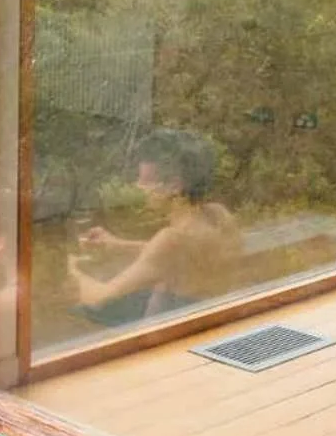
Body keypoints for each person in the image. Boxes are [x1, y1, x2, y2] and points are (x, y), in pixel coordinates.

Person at [70, 129, 241, 327]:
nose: (138, 186)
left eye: (145, 181)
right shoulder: (218, 216)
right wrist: (117, 244)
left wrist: (71, 270)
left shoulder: (171, 239)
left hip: (167, 336)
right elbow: (175, 255)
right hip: (204, 327)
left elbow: (100, 297)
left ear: (174, 186)